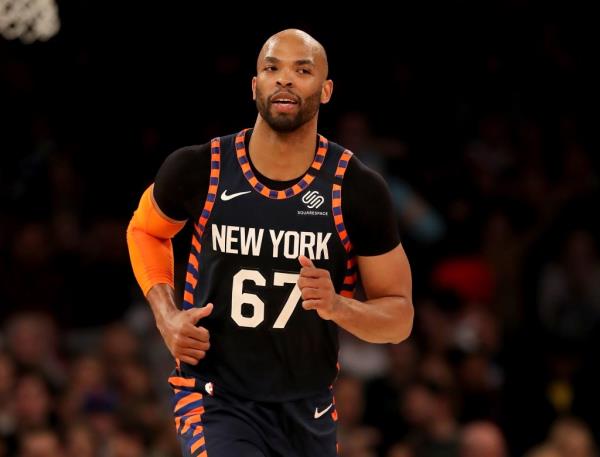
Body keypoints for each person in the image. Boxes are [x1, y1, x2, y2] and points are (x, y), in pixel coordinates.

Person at [126, 28, 414, 457]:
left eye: (302, 70)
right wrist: (167, 316)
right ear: (254, 85)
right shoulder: (201, 167)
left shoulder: (355, 188)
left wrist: (337, 305)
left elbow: (399, 318)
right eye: (272, 68)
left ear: (326, 89)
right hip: (215, 396)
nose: (285, 79)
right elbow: (145, 230)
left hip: (308, 406)